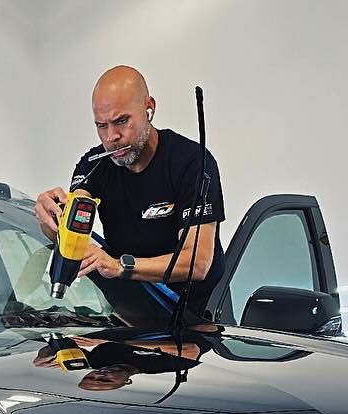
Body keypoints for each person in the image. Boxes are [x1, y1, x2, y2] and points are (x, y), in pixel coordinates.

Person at [34, 66, 225, 302]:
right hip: (132, 312)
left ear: (149, 108)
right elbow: (71, 228)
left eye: (121, 121)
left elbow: (197, 263)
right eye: (101, 126)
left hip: (197, 316)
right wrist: (50, 216)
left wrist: (119, 266)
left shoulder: (192, 163)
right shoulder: (94, 165)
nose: (111, 137)